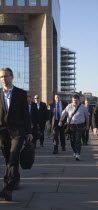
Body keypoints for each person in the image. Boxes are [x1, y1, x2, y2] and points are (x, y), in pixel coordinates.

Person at [0, 67, 32, 201]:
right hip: (2, 133)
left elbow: (26, 114)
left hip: (18, 132)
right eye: (1, 77)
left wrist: (29, 132)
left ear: (12, 77)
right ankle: (14, 180)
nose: (3, 79)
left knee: (13, 157)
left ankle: (8, 188)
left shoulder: (21, 93)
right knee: (8, 159)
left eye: (6, 76)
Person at [59, 94, 89, 160]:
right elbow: (63, 114)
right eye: (73, 100)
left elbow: (87, 117)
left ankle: (78, 153)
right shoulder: (69, 106)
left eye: (76, 100)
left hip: (80, 126)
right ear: (72, 100)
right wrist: (60, 121)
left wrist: (87, 126)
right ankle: (75, 152)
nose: (75, 102)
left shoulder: (83, 107)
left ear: (79, 100)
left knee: (78, 140)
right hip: (71, 126)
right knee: (72, 141)